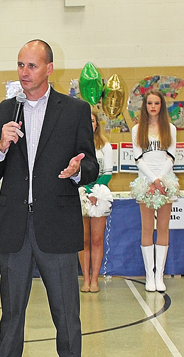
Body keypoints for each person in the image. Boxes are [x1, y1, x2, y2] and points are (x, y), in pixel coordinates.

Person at [0, 40, 98, 357]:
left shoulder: (76, 111)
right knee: (10, 316)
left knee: (66, 318)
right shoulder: (1, 112)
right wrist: (0, 146)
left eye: (31, 65)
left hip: (57, 229)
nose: (24, 72)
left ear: (49, 68)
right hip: (14, 230)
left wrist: (78, 171)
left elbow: (91, 164)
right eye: (20, 65)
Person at [130, 90, 179, 292]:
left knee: (164, 228)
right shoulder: (137, 129)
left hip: (165, 181)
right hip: (146, 182)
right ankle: (149, 276)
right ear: (145, 105)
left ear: (161, 106)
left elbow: (171, 156)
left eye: (156, 103)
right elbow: (138, 158)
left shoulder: (171, 128)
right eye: (149, 103)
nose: (152, 107)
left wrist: (161, 180)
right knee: (147, 228)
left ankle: (160, 276)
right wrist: (152, 180)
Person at [78, 111, 113, 293]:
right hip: (80, 195)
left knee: (97, 239)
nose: (89, 123)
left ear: (97, 123)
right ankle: (85, 279)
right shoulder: (74, 144)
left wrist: (94, 191)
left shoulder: (105, 145)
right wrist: (84, 191)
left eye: (91, 120)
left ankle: (95, 280)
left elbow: (107, 173)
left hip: (99, 196)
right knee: (83, 240)